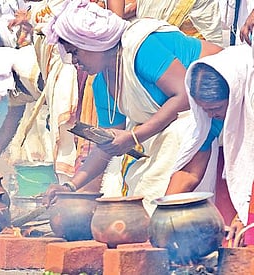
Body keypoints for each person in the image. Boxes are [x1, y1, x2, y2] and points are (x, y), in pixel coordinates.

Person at [42, 0, 222, 214]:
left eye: (75, 52)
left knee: (176, 136)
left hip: (215, 101)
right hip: (174, 117)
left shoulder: (140, 46)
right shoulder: (102, 84)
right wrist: (69, 186)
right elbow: (107, 145)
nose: (73, 61)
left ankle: (165, 220)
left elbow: (185, 95)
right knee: (130, 178)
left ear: (93, 42)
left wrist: (134, 137)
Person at [167, 44, 254, 246]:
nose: (211, 115)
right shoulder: (214, 115)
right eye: (204, 110)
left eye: (216, 108)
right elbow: (190, 172)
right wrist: (163, 213)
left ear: (235, 95)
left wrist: (245, 215)